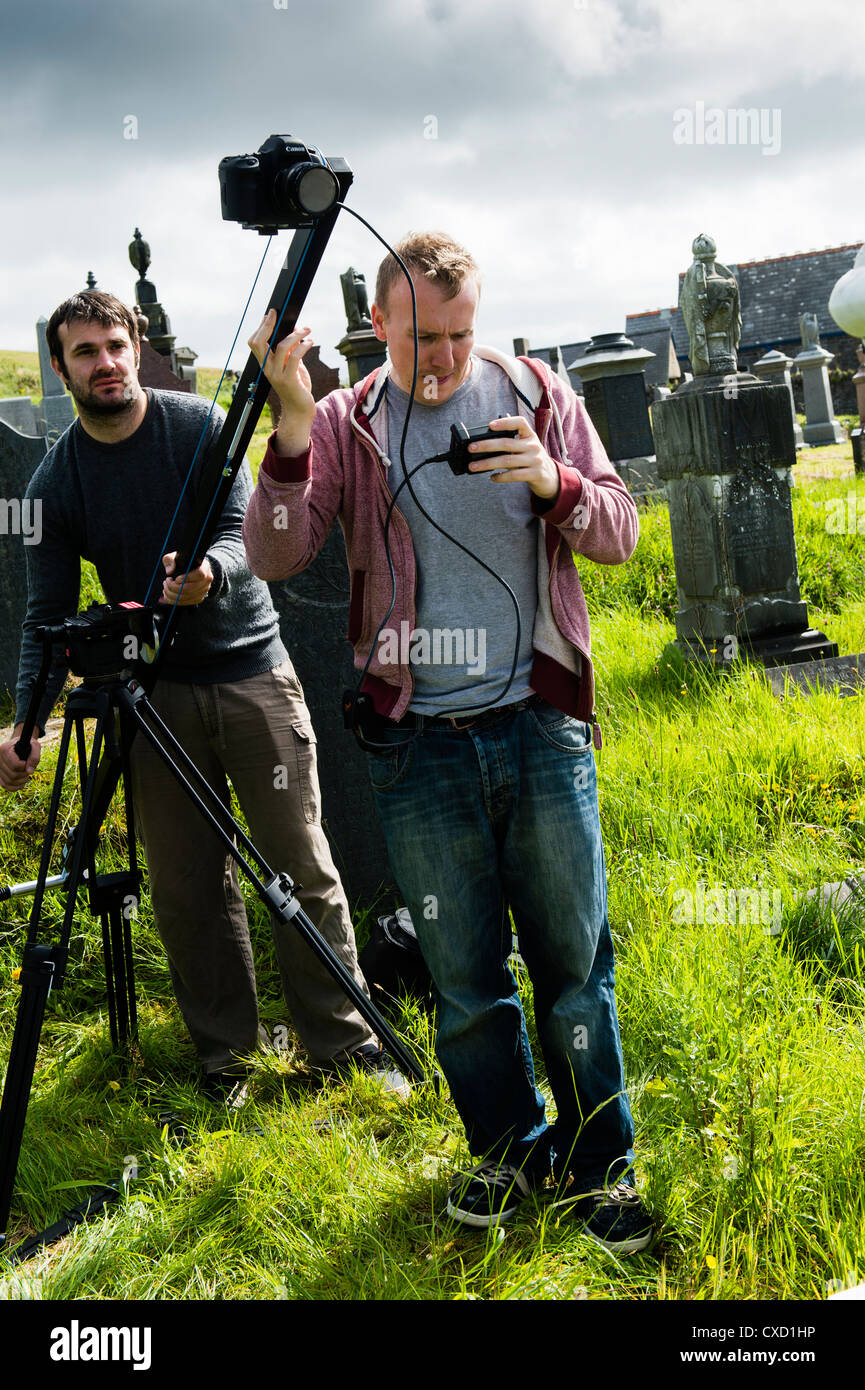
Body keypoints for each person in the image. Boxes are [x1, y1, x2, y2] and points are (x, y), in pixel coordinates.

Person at [241, 232, 653, 1252]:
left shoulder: (536, 388)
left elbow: (622, 529)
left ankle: (601, 1167)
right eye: (423, 335)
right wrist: (290, 422)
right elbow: (275, 553)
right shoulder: (346, 420)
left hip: (540, 724)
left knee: (574, 964)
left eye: (460, 333)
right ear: (378, 324)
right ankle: (510, 1152)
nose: (444, 357)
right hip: (417, 742)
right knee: (464, 974)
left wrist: (555, 482)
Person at [0, 290, 408, 1105]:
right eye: (84, 353)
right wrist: (26, 722)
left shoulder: (196, 425)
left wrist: (211, 575)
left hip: (251, 672)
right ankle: (230, 1061)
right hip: (152, 699)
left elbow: (242, 529)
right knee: (188, 889)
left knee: (301, 864)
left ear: (137, 345)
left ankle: (344, 1047)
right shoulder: (53, 484)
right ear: (59, 366)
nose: (104, 363)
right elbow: (46, 615)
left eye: (115, 345)